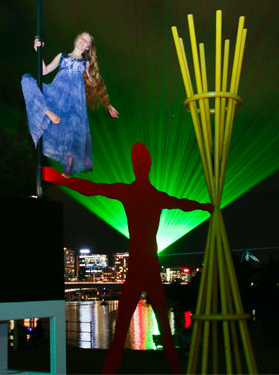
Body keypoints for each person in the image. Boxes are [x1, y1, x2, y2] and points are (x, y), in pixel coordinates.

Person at [43, 142, 213, 375]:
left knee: (121, 330)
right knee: (163, 325)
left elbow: (93, 188)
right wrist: (205, 207)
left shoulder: (128, 192)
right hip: (150, 267)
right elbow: (183, 205)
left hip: (136, 269)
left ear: (134, 166)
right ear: (149, 165)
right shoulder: (156, 196)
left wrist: (60, 180)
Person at [21, 32, 118, 176]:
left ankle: (68, 168)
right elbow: (44, 71)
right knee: (26, 80)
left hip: (74, 100)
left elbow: (96, 85)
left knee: (74, 130)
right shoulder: (62, 56)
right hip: (57, 93)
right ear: (76, 39)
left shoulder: (85, 63)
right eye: (82, 38)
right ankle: (46, 111)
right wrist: (38, 51)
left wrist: (108, 105)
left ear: (87, 48)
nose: (83, 41)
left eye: (87, 41)